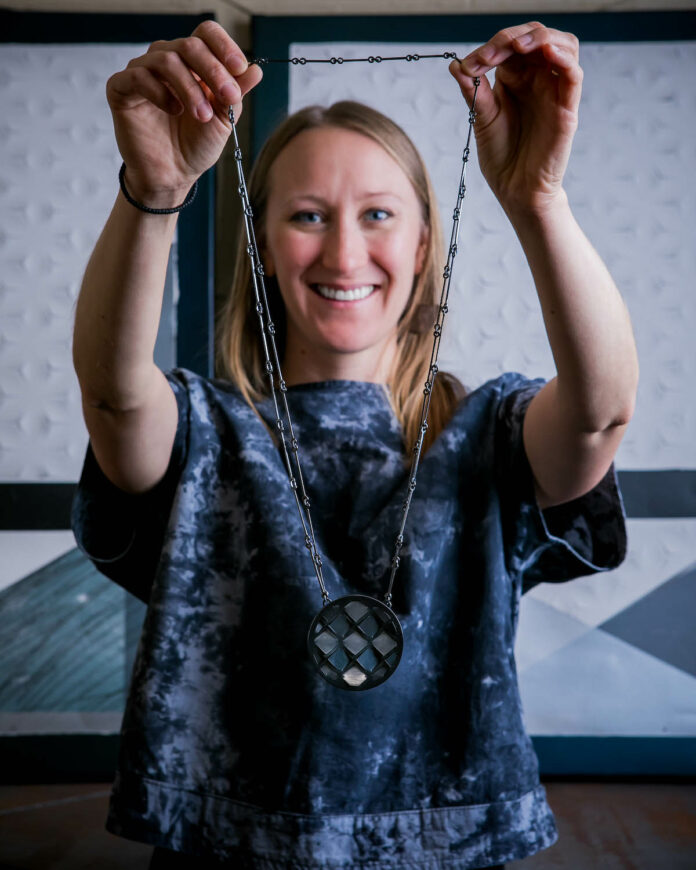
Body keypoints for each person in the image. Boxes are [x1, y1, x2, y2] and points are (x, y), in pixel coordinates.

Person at [71, 19, 638, 870]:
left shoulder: (486, 433)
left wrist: (538, 200)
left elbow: (598, 417)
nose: (344, 252)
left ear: (420, 245)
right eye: (306, 216)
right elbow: (116, 401)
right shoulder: (210, 437)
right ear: (262, 243)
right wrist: (152, 189)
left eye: (377, 214)